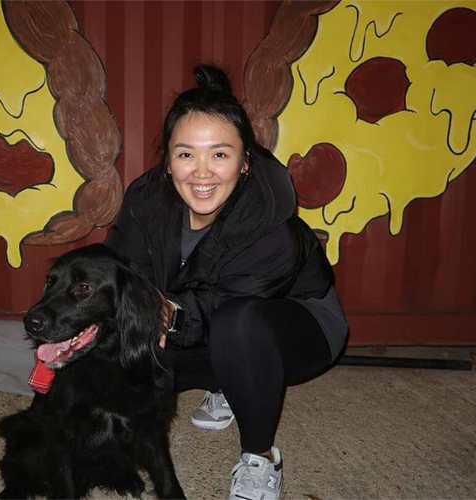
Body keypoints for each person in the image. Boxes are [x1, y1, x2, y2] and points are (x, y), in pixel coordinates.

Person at [105, 65, 348, 500]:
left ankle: (260, 456)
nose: (202, 173)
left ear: (245, 161)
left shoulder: (269, 224)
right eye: (186, 155)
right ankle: (228, 382)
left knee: (237, 326)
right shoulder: (145, 202)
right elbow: (122, 272)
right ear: (168, 162)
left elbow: (221, 306)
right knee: (115, 354)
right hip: (194, 320)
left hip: (297, 325)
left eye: (219, 155)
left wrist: (166, 312)